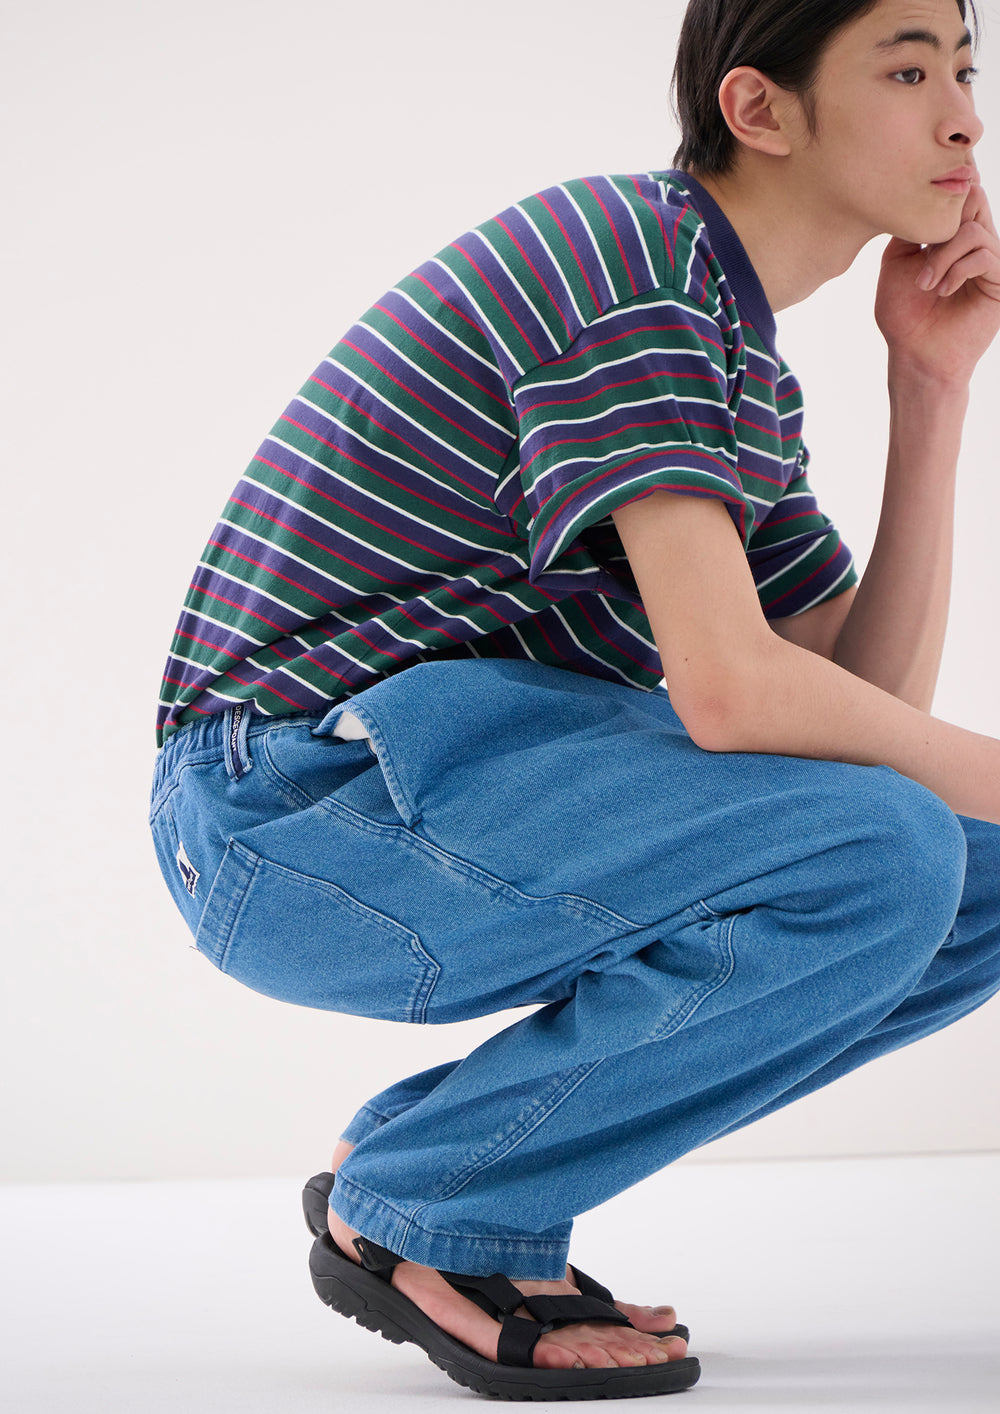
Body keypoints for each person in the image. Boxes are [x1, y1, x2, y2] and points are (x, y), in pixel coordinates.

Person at [149, 0, 1000, 1399]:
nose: (965, 116)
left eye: (966, 68)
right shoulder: (630, 266)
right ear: (760, 109)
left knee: (963, 866)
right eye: (910, 70)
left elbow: (855, 725)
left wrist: (931, 384)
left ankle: (435, 1161)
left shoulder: (723, 342)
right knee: (896, 848)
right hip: (284, 805)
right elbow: (735, 695)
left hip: (425, 781)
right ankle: (443, 1204)